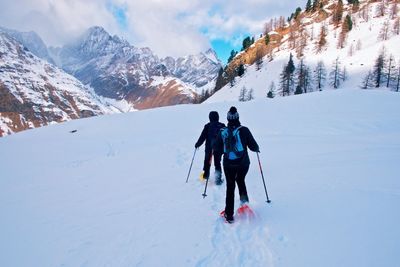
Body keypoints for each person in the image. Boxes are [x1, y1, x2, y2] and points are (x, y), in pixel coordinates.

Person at [214, 106, 259, 223]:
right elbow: (254, 146)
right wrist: (256, 149)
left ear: (228, 119)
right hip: (243, 163)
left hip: (228, 164)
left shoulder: (222, 132)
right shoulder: (244, 130)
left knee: (230, 186)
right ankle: (245, 205)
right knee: (241, 180)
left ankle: (229, 215)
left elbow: (216, 148)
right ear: (238, 117)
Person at [195, 111, 225, 184]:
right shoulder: (222, 126)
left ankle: (205, 176)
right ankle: (218, 179)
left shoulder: (207, 126)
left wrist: (197, 144)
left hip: (209, 148)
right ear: (218, 117)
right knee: (217, 163)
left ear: (210, 118)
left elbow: (202, 137)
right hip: (219, 148)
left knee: (207, 161)